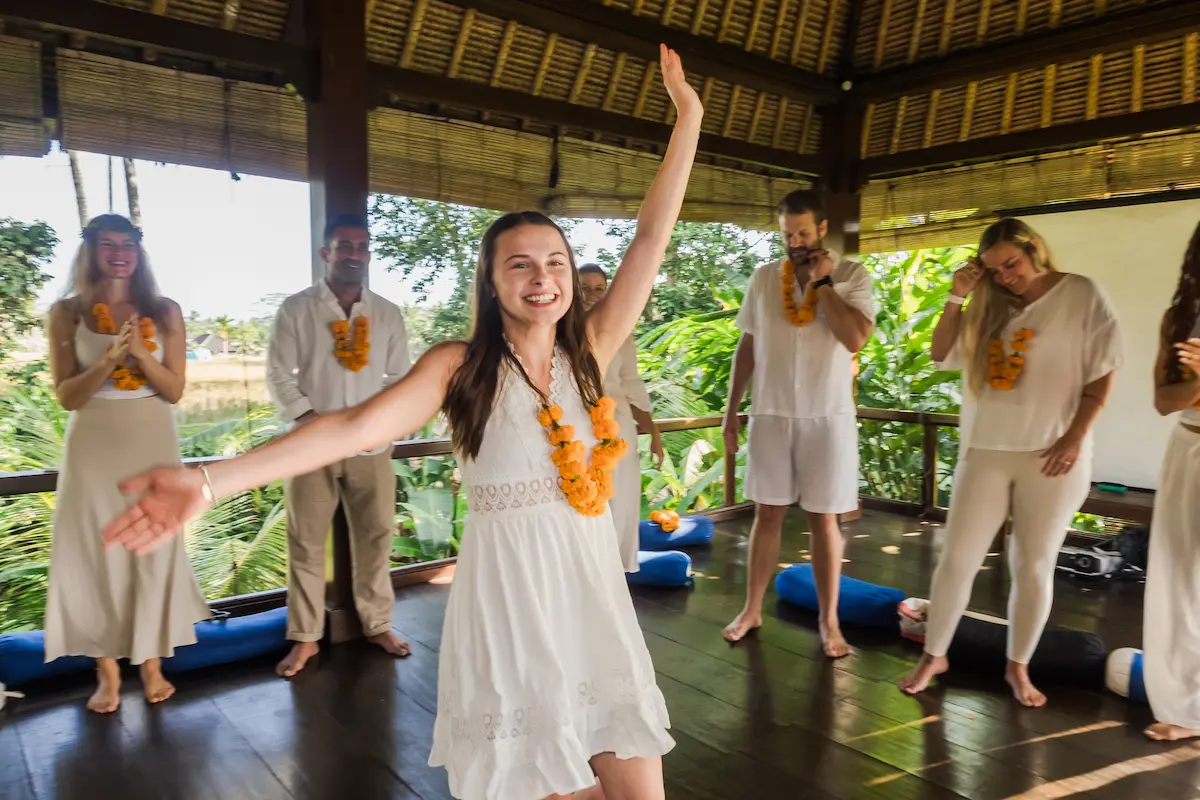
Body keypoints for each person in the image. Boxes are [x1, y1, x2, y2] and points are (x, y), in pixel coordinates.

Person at [105, 45, 701, 800]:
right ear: (491, 283)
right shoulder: (460, 366)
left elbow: (650, 240)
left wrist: (690, 118)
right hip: (510, 598)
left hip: (587, 590)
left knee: (639, 789)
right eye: (519, 264)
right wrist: (208, 479)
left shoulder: (592, 351)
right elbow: (351, 426)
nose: (542, 276)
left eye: (554, 260)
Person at [898, 218, 1123, 707]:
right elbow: (941, 354)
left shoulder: (1081, 294)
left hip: (1053, 454)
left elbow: (1103, 374)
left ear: (1034, 250)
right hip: (987, 450)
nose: (1004, 276)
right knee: (957, 559)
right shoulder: (987, 302)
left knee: (1033, 564)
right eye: (993, 269)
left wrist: (1074, 436)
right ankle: (935, 653)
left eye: (1011, 264)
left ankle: (1018, 667)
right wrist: (958, 296)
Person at [44, 213, 209, 713]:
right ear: (90, 251)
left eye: (128, 243)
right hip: (93, 443)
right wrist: (108, 361)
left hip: (152, 438)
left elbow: (175, 389)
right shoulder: (66, 312)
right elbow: (67, 396)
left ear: (139, 252)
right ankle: (108, 672)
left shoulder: (164, 311)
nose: (119, 252)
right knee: (97, 548)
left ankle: (153, 664)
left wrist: (140, 350)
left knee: (152, 542)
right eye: (107, 243)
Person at [722, 190, 876, 658]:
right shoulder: (765, 277)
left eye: (804, 232)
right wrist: (731, 410)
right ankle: (751, 608)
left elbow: (854, 339)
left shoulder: (852, 275)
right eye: (788, 234)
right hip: (770, 415)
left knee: (823, 520)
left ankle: (829, 622)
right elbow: (747, 347)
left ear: (823, 228)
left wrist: (824, 285)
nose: (796, 242)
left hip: (827, 419)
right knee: (766, 515)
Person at [266, 213, 413, 677]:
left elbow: (400, 379)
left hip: (372, 446)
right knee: (305, 542)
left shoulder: (386, 313)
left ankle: (377, 624)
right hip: (311, 446)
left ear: (368, 255)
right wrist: (312, 424)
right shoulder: (297, 309)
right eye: (343, 246)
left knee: (376, 537)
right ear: (325, 253)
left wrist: (384, 427)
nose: (353, 254)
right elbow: (278, 375)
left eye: (360, 247)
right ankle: (306, 638)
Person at [1144, 220, 1200, 741]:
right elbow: (1164, 403)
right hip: (1189, 445)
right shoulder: (1179, 318)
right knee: (1180, 582)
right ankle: (1186, 710)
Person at [579, 263, 665, 572]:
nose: (592, 294)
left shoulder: (620, 330)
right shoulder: (556, 331)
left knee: (620, 505)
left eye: (598, 288)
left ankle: (614, 580)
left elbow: (631, 383)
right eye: (584, 288)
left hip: (618, 431)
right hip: (576, 435)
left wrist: (653, 431)